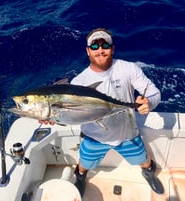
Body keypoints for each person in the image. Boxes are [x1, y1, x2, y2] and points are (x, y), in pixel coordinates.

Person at [70, 28, 164, 196]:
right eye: (94, 46)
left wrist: (149, 102)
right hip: (94, 137)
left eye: (105, 45)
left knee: (143, 160)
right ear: (87, 51)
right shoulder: (78, 82)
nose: (100, 50)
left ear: (112, 48)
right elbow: (69, 114)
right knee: (84, 164)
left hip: (126, 134)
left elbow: (154, 92)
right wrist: (51, 117)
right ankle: (80, 176)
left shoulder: (128, 69)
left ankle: (148, 172)